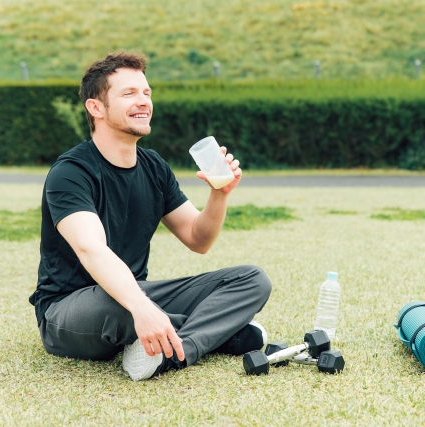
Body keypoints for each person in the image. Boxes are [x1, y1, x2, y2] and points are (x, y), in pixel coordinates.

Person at [28, 52, 272, 380]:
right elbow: (91, 249)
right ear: (96, 108)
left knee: (251, 280)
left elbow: (198, 239)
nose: (143, 101)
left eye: (147, 93)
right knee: (122, 303)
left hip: (133, 293)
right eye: (129, 94)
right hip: (69, 311)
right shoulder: (71, 172)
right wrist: (142, 308)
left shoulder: (154, 167)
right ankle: (221, 333)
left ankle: (172, 352)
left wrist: (219, 195)